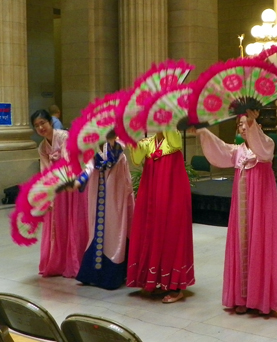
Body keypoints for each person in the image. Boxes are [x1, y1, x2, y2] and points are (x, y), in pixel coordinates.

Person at [188, 110, 277, 316]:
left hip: (260, 205)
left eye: (246, 123)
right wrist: (202, 131)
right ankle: (242, 297)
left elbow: (263, 150)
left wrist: (252, 122)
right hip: (242, 208)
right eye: (240, 125)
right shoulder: (238, 151)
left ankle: (261, 298)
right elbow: (219, 149)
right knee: (242, 244)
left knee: (259, 242)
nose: (243, 127)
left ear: (256, 125)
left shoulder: (266, 144)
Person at [126, 130, 194, 303]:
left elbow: (173, 137)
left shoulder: (174, 138)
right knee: (152, 233)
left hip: (173, 195)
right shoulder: (148, 143)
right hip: (152, 196)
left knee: (171, 235)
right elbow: (136, 156)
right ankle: (158, 281)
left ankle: (174, 286)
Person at [30, 109, 89, 277]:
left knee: (73, 221)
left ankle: (75, 261)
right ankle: (59, 261)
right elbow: (45, 169)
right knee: (57, 222)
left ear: (50, 122)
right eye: (37, 126)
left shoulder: (64, 136)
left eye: (43, 123)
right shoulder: (42, 147)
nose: (41, 127)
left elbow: (68, 159)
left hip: (70, 184)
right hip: (57, 187)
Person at [75, 130, 135, 290]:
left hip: (116, 198)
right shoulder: (93, 149)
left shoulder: (119, 148)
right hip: (98, 199)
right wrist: (79, 181)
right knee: (97, 232)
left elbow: (113, 160)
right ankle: (93, 274)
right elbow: (89, 167)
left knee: (115, 233)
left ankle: (114, 275)